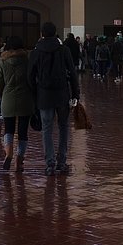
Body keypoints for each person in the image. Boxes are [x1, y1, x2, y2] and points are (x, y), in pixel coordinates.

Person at [28, 22, 80, 176]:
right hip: (62, 94)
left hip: (44, 95)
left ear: (42, 34)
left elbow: (30, 76)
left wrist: (34, 94)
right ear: (55, 33)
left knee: (46, 129)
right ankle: (62, 161)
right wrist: (75, 94)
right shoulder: (64, 50)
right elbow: (73, 73)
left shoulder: (36, 51)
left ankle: (49, 163)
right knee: (64, 127)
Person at [0, 36, 35, 172]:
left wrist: (2, 96)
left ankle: (9, 153)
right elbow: (32, 80)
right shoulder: (27, 60)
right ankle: (20, 159)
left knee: (8, 129)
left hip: (8, 98)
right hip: (25, 99)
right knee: (23, 132)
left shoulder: (3, 61)